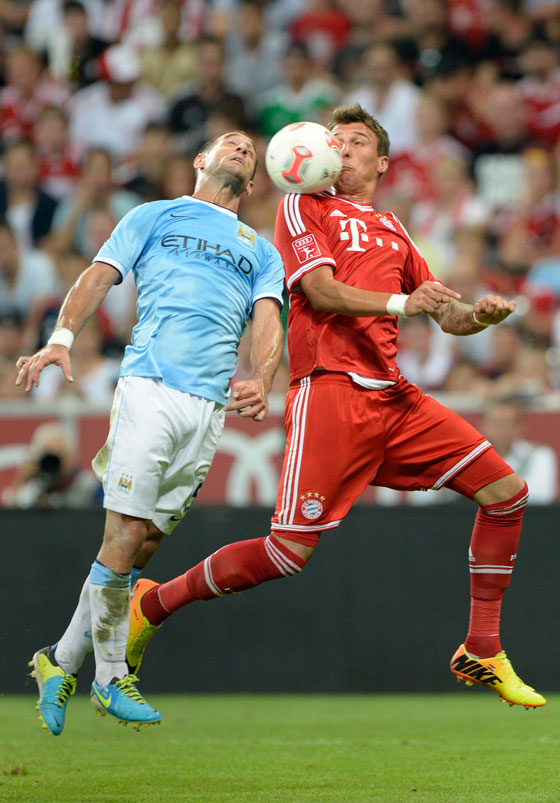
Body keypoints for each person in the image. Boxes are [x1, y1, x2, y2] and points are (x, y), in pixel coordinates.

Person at [125, 104, 546, 712]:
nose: (341, 149)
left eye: (355, 142)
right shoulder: (304, 205)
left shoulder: (394, 228)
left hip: (394, 398)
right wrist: (403, 304)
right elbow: (319, 291)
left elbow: (443, 313)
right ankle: (153, 603)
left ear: (383, 162)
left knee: (507, 494)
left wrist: (477, 315)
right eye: (335, 140)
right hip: (331, 391)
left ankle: (482, 646)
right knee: (286, 554)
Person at [15, 130, 285, 734]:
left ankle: (60, 659)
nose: (242, 148)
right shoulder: (154, 215)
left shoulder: (262, 251)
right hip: (152, 387)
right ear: (200, 160)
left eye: (250, 149)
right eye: (229, 143)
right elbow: (99, 274)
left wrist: (263, 377)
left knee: (143, 544)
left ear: (255, 182)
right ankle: (111, 678)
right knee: (126, 531)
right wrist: (61, 339)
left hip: (208, 409)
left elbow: (269, 319)